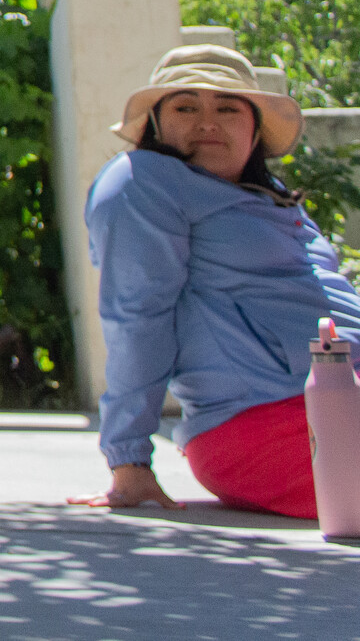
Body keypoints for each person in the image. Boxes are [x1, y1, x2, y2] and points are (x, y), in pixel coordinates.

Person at [66, 44, 360, 519]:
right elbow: (138, 316)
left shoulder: (274, 197)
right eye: (185, 106)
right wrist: (128, 460)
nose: (207, 121)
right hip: (270, 422)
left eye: (227, 107)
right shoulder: (144, 181)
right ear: (156, 125)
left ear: (254, 128)